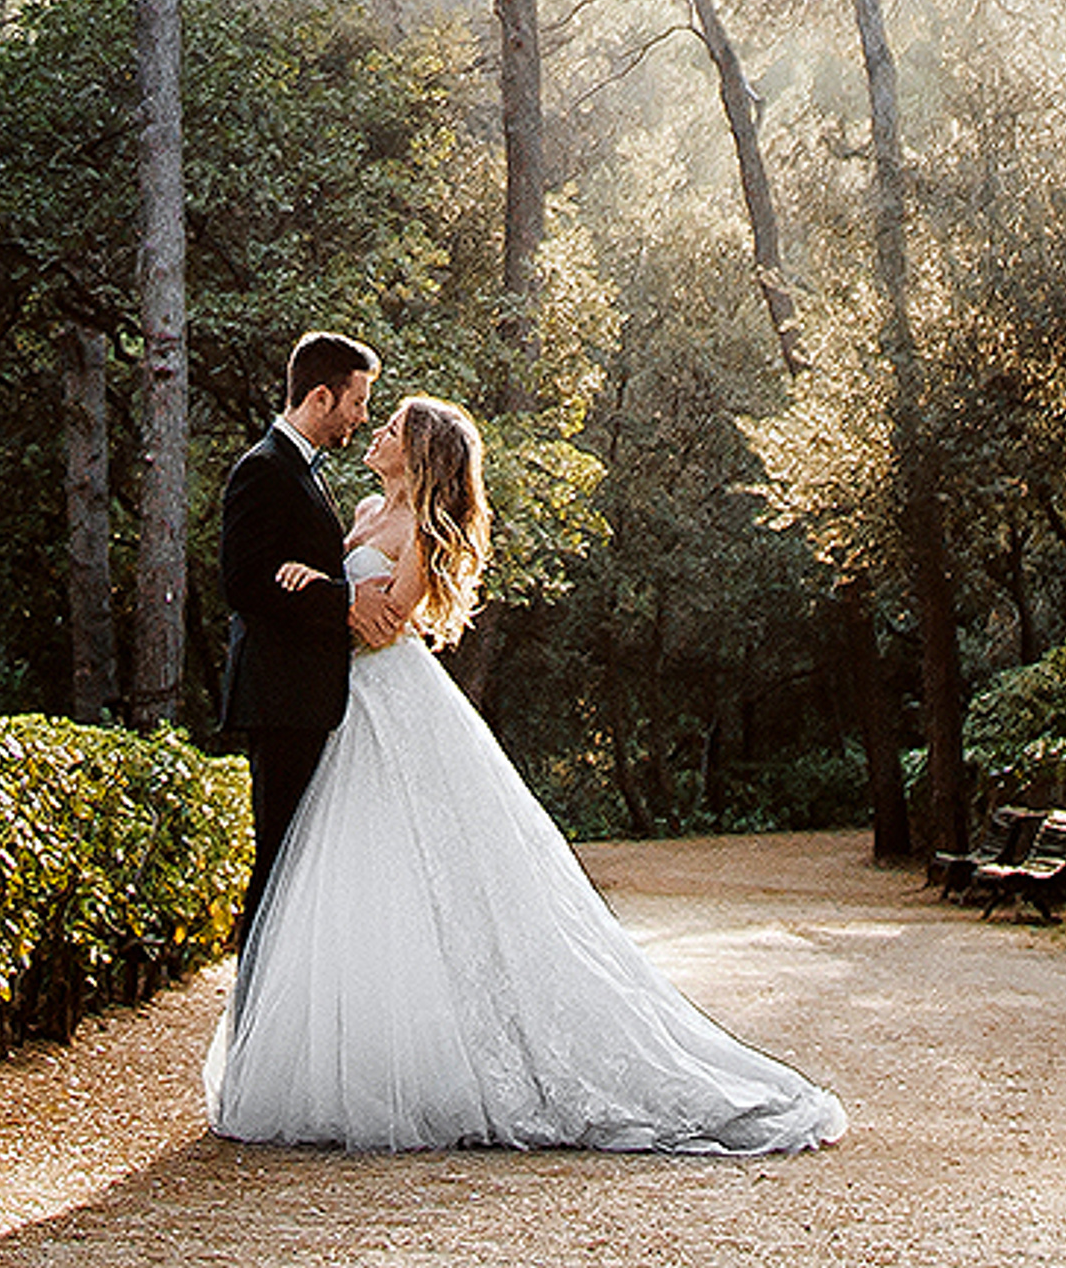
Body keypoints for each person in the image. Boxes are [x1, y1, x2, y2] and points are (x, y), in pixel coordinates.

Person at [206, 392, 844, 1156]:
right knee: (365, 884)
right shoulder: (368, 508)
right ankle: (364, 1052)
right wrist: (326, 593)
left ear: (424, 453)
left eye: (393, 428)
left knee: (427, 877)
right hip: (347, 705)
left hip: (389, 698)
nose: (376, 434)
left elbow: (385, 621)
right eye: (377, 422)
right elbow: (345, 602)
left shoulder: (423, 531)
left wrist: (321, 595)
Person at [217, 330, 379, 944]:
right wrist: (342, 601)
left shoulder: (302, 471)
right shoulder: (264, 470)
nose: (362, 418)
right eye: (357, 402)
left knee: (297, 861)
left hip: (306, 698)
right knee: (279, 860)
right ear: (320, 397)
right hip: (281, 698)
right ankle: (255, 1014)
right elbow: (245, 585)